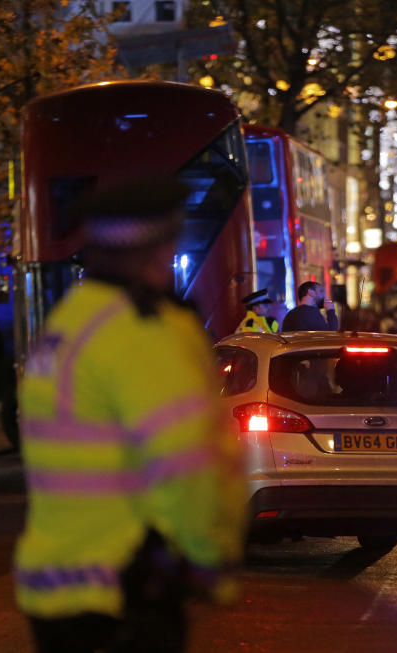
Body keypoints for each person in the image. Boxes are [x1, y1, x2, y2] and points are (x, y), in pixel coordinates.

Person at [14, 178, 245, 653]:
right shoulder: (140, 331)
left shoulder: (69, 323)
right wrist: (209, 557)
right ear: (161, 248)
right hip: (124, 588)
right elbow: (187, 460)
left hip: (55, 586)